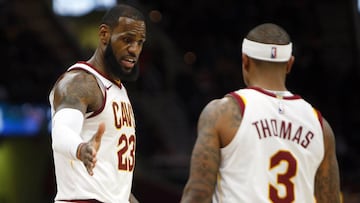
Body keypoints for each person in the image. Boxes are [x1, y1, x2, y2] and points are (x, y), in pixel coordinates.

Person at [180, 23, 341, 203]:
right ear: (289, 64)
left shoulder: (223, 113)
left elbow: (198, 195)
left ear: (245, 60)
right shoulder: (320, 126)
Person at [49, 4, 146, 203]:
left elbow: (115, 184)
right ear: (104, 35)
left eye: (140, 42)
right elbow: (61, 132)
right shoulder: (79, 82)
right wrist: (81, 148)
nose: (134, 50)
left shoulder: (118, 91)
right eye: (127, 40)